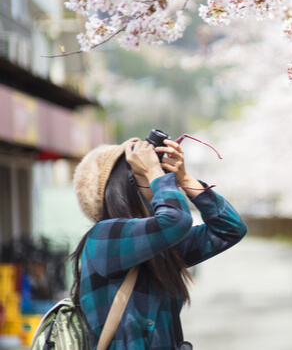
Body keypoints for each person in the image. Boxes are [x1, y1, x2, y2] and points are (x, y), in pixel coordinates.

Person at [71, 136, 247, 349]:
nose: (161, 179)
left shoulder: (158, 247)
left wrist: (185, 179)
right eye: (142, 172)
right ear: (122, 188)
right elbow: (176, 221)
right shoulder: (104, 237)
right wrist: (155, 173)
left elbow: (230, 229)